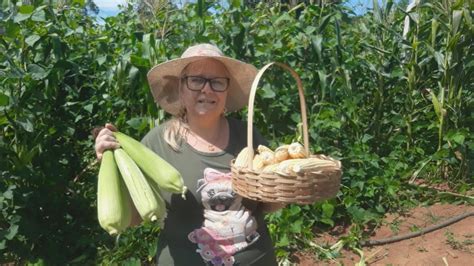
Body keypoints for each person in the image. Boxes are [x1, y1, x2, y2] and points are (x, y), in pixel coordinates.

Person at [94, 43, 285, 265]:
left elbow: (270, 205)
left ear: (227, 90)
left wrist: (284, 186)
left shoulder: (248, 136)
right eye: (196, 80)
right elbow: (134, 218)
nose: (207, 89)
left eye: (217, 82)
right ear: (181, 89)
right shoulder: (156, 144)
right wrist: (109, 163)